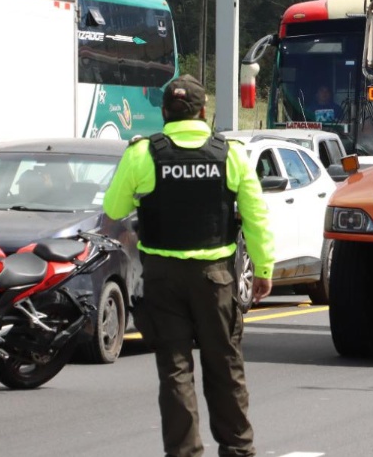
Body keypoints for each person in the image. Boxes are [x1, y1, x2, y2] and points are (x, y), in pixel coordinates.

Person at [102, 74, 275, 457]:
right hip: (216, 279)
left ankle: (183, 453)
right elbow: (256, 217)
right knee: (225, 367)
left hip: (163, 278)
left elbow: (114, 210)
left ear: (164, 113)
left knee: (175, 371)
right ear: (203, 112)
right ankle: (237, 450)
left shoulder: (143, 152)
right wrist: (263, 269)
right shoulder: (229, 154)